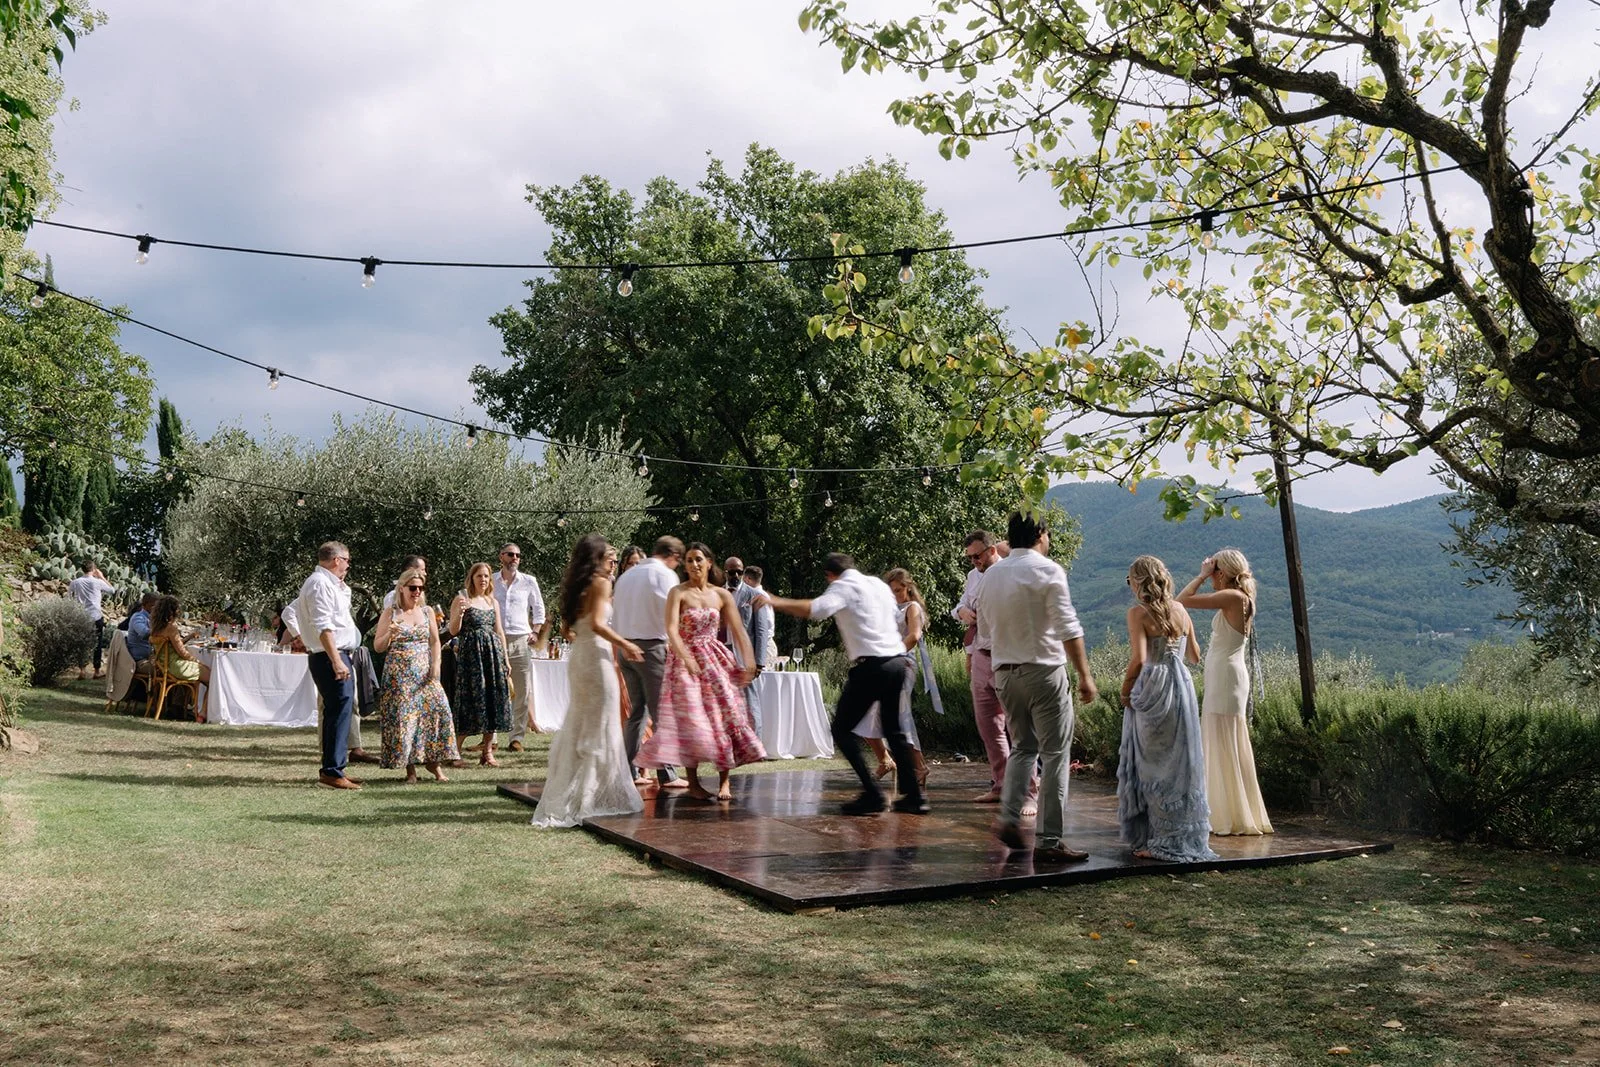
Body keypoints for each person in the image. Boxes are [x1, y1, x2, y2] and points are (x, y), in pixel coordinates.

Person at [761, 553, 927, 816]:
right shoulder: (877, 585)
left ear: (830, 575)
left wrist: (775, 601)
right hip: (898, 663)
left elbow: (816, 610)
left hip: (873, 665)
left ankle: (872, 793)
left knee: (841, 730)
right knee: (894, 730)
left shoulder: (843, 586)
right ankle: (915, 797)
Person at [979, 514, 1098, 862]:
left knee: (1022, 748)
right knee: (1056, 753)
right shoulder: (1048, 570)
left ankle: (1009, 816)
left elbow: (984, 628)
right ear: (1041, 535)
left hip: (1004, 672)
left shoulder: (990, 576)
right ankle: (1048, 840)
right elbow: (1068, 627)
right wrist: (1085, 676)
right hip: (1044, 670)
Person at [531, 535, 648, 827]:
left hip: (580, 657)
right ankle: (588, 798)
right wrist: (626, 643)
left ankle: (577, 791)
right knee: (601, 723)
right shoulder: (601, 583)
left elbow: (568, 629)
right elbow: (597, 624)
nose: (613, 562)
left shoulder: (577, 587)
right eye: (609, 556)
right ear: (596, 557)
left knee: (581, 722)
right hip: (596, 658)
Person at [635, 543, 764, 800]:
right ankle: (693, 783)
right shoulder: (678, 593)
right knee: (691, 720)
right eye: (689, 560)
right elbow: (671, 629)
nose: (694, 564)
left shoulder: (721, 595)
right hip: (684, 663)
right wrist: (686, 657)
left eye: (699, 559)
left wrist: (750, 661)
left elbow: (738, 631)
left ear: (708, 563)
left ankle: (724, 782)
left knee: (724, 717)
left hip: (715, 659)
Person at [1117, 555, 1219, 863]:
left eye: (1130, 580)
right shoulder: (1181, 610)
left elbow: (1138, 658)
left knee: (1153, 764)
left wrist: (1125, 690)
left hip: (1153, 685)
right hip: (1181, 687)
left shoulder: (1138, 613)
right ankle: (1181, 836)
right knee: (1180, 765)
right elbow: (1195, 655)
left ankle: (1160, 841)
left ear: (1139, 582)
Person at [1178, 549, 1274, 836]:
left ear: (1221, 572)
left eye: (1214, 572)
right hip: (1229, 674)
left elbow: (1181, 602)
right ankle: (1230, 810)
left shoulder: (1233, 597)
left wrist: (1200, 574)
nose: (1210, 579)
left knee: (1220, 739)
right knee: (1226, 740)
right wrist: (1210, 572)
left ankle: (1224, 814)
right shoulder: (1242, 598)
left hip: (1225, 676)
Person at [953, 530, 1033, 808]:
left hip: (1008, 654)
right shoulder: (973, 576)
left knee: (1018, 726)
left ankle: (1027, 793)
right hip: (980, 654)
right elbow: (962, 603)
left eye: (977, 555)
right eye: (970, 557)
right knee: (989, 726)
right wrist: (961, 612)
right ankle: (1001, 785)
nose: (973, 561)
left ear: (991, 550)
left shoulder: (1011, 571)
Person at [373, 567, 459, 783]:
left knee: (438, 712)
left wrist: (436, 665)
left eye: (420, 588)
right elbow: (378, 646)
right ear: (401, 589)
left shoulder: (427, 611)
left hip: (425, 672)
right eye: (413, 588)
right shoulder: (390, 613)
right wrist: (390, 634)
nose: (417, 592)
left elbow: (434, 641)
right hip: (399, 673)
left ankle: (435, 764)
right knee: (405, 720)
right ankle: (410, 770)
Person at [613, 536, 686, 788]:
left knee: (636, 713)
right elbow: (672, 613)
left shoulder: (625, 577)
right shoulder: (663, 574)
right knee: (661, 711)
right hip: (651, 646)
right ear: (673, 556)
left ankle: (630, 771)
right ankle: (667, 772)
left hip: (625, 646)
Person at [855, 568, 935, 790]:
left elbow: (914, 635)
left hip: (902, 664)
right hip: (881, 665)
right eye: (891, 591)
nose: (895, 595)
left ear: (908, 588)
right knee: (866, 712)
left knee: (900, 715)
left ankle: (919, 766)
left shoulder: (912, 607)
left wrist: (893, 651)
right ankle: (885, 760)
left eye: (898, 590)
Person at [296, 542, 364, 790]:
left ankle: (337, 767)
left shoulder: (330, 584)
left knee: (342, 710)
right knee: (337, 710)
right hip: (329, 655)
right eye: (347, 561)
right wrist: (336, 660)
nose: (348, 566)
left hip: (336, 653)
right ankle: (332, 771)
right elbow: (324, 625)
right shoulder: (319, 584)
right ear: (337, 560)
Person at [450, 562, 515, 766]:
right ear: (472, 578)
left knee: (493, 699)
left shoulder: (492, 601)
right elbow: (453, 630)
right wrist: (460, 614)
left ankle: (487, 753)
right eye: (479, 576)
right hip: (471, 656)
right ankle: (455, 753)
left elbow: (500, 632)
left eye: (486, 576)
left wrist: (505, 658)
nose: (483, 579)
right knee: (470, 700)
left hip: (492, 654)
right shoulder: (462, 599)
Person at [494, 543, 548, 752]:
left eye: (517, 555)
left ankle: (516, 737)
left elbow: (539, 608)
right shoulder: (491, 580)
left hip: (520, 638)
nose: (514, 558)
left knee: (523, 688)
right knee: (494, 688)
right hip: (495, 638)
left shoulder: (528, 581)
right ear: (501, 557)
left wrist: (535, 631)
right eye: (510, 554)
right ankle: (492, 738)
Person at [148, 594, 211, 718]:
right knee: (213, 677)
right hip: (177, 667)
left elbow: (173, 645)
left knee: (204, 674)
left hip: (164, 667)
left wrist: (189, 637)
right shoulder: (172, 628)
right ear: (173, 611)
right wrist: (198, 662)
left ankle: (181, 707)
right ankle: (202, 713)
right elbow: (182, 653)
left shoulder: (156, 628)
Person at [68, 561, 116, 678]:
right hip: (96, 615)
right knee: (97, 643)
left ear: (82, 569)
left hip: (81, 616)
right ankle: (96, 671)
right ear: (94, 569)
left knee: (82, 643)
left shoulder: (75, 582)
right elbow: (112, 590)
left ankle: (82, 670)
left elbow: (69, 597)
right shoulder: (98, 582)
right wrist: (102, 577)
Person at [741, 566, 778, 667]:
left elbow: (764, 627)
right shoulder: (762, 595)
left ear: (747, 579)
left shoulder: (758, 597)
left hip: (764, 647)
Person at [125, 591, 160, 665]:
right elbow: (144, 633)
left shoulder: (151, 618)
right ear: (146, 605)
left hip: (150, 656)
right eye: (154, 606)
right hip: (139, 659)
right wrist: (161, 631)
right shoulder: (138, 617)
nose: (157, 609)